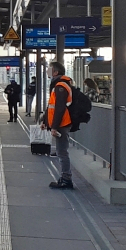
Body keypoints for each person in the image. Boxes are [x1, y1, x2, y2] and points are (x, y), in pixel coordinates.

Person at [42, 61, 75, 189]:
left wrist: (54, 127)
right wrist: (46, 122)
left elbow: (60, 108)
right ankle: (65, 177)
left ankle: (66, 179)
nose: (47, 72)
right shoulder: (57, 85)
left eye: (49, 70)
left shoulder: (60, 86)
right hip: (59, 123)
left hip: (62, 124)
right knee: (61, 151)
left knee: (62, 152)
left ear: (56, 72)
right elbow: (51, 106)